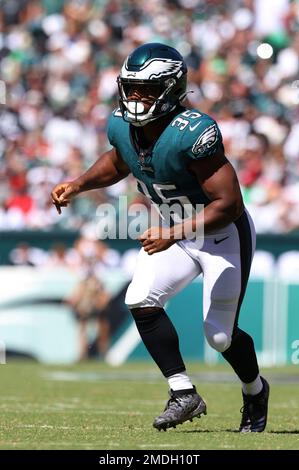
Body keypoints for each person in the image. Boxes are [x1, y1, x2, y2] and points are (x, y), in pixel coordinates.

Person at [51, 43, 269, 433]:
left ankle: (254, 391)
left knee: (219, 335)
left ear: (171, 88)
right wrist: (78, 184)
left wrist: (174, 232)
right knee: (139, 298)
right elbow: (119, 160)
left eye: (148, 89)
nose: (136, 97)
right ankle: (183, 392)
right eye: (132, 87)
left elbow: (230, 203)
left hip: (220, 232)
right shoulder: (121, 124)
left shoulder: (194, 132)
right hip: (176, 231)